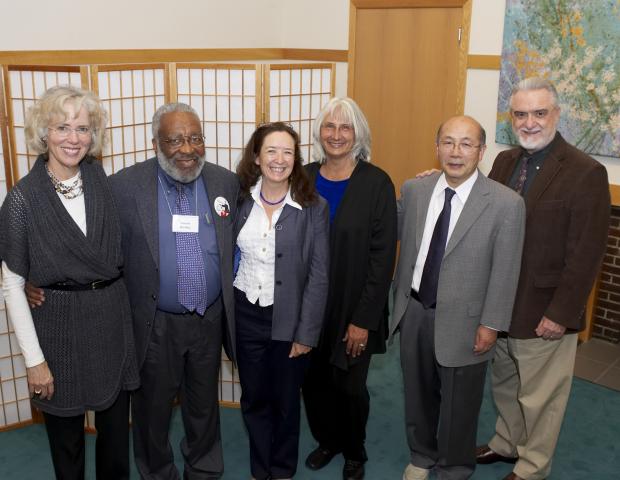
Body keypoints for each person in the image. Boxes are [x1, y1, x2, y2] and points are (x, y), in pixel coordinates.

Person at [0, 85, 139, 479]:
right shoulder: (22, 200)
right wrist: (34, 361)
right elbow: (12, 284)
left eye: (82, 128)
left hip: (110, 321)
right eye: (62, 127)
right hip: (58, 329)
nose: (73, 138)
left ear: (93, 135)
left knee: (115, 441)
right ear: (43, 133)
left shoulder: (99, 179)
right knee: (67, 446)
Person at [476, 78, 610, 480]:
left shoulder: (586, 172)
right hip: (500, 305)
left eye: (539, 113)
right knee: (506, 383)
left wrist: (561, 313)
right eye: (520, 114)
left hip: (544, 311)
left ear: (556, 114)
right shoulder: (504, 162)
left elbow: (587, 254)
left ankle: (533, 466)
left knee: (541, 397)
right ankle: (506, 443)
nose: (529, 122)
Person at [390, 115, 525, 480]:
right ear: (436, 149)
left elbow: (506, 270)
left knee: (460, 404)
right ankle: (421, 455)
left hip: (469, 322)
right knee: (417, 393)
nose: (456, 151)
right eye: (448, 142)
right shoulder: (416, 190)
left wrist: (491, 324)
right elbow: (384, 229)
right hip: (414, 311)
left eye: (466, 144)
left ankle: (454, 467)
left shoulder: (505, 204)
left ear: (481, 152)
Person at [301, 97, 397, 480]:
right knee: (314, 382)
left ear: (358, 134)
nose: (336, 134)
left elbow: (382, 257)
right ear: (319, 132)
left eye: (345, 127)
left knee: (350, 386)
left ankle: (354, 450)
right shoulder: (302, 176)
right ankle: (328, 440)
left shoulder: (376, 183)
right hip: (310, 306)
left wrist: (363, 320)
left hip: (355, 306)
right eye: (329, 126)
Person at [234, 122, 329, 480]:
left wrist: (306, 334)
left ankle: (283, 469)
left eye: (288, 152)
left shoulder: (311, 207)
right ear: (256, 157)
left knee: (286, 402)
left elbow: (319, 276)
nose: (279, 159)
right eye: (271, 151)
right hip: (245, 314)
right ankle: (262, 469)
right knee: (254, 399)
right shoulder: (240, 200)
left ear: (297, 159)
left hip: (288, 319)